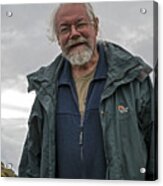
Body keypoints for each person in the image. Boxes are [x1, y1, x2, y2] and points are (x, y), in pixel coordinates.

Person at [18, 3, 157, 180]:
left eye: (81, 24)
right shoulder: (46, 91)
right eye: (65, 29)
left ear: (96, 26)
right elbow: (31, 162)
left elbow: (156, 153)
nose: (74, 33)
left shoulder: (134, 79)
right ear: (58, 38)